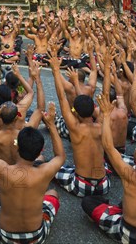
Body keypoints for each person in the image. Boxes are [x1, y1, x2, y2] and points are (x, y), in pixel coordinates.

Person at [0, 99, 65, 244]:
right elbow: (61, 155)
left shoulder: (2, 169)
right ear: (39, 153)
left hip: (6, 236)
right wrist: (51, 125)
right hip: (36, 236)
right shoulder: (45, 171)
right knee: (53, 194)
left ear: (18, 148)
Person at [84, 93, 136, 244]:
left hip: (128, 234)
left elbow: (109, 147)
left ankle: (112, 214)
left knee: (88, 202)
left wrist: (105, 114)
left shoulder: (130, 175)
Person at [49, 53, 109, 197]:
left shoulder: (74, 127)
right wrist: (106, 68)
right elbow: (105, 94)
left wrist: (56, 70)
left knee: (48, 166)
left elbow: (61, 98)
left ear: (76, 112)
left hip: (81, 185)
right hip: (104, 185)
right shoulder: (101, 122)